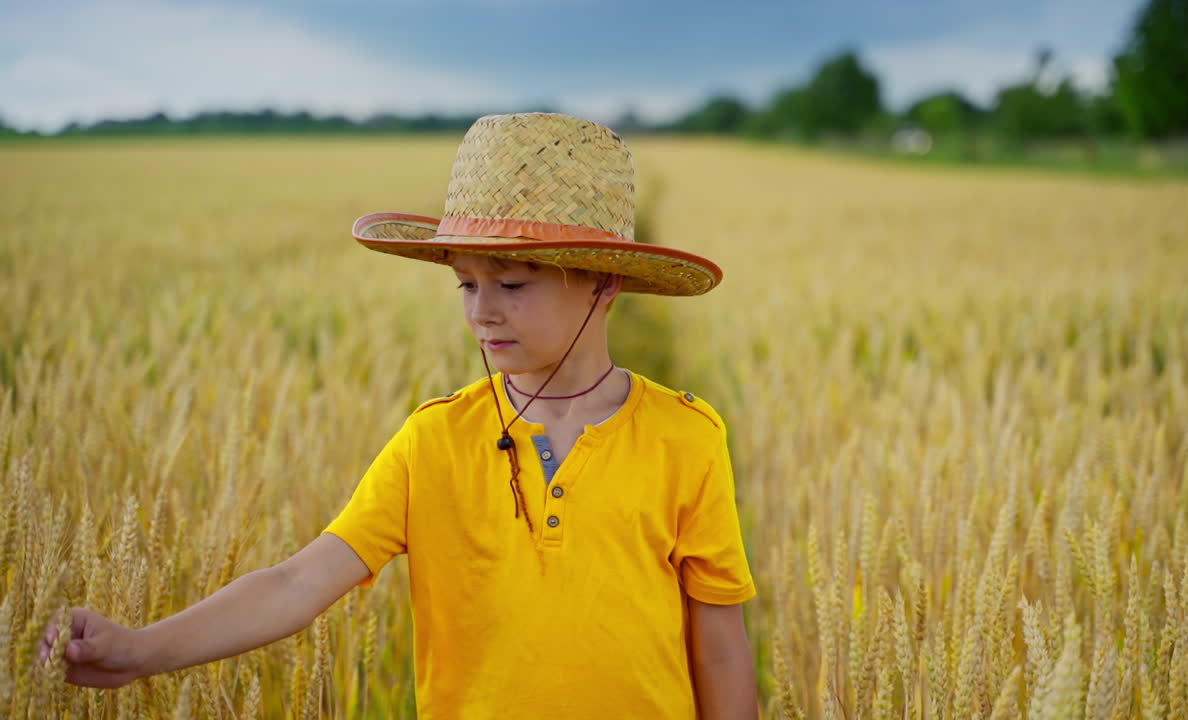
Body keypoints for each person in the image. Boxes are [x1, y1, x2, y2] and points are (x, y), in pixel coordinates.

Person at [39, 112, 759, 718]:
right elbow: (297, 582)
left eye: (509, 282)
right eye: (466, 286)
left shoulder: (686, 437)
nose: (482, 311)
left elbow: (720, 641)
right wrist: (138, 649)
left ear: (604, 283)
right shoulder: (433, 440)